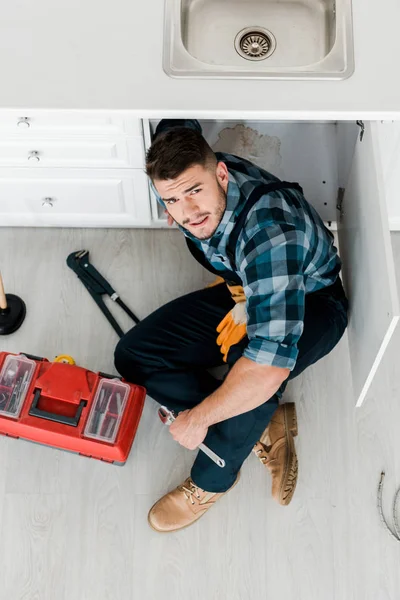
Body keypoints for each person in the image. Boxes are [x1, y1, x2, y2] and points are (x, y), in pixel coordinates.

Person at [114, 120, 349, 533]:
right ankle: (257, 421)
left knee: (253, 371)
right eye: (171, 200)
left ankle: (212, 479)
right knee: (134, 356)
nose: (186, 212)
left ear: (221, 173)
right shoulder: (195, 174)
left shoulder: (271, 236)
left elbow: (265, 367)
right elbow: (175, 129)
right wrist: (180, 198)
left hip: (313, 304)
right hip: (247, 285)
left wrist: (198, 418)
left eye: (194, 191)